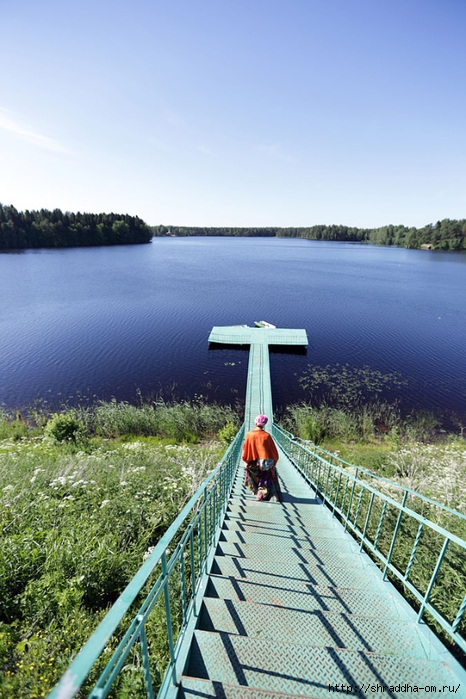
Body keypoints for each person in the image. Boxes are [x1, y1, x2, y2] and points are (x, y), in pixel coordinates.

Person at [242, 414, 283, 502]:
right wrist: (273, 463)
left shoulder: (249, 435)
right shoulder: (267, 436)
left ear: (255, 423)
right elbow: (274, 452)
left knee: (254, 473)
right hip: (264, 465)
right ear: (264, 424)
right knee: (268, 474)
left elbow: (245, 449)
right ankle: (265, 494)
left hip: (252, 464)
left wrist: (246, 461)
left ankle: (257, 491)